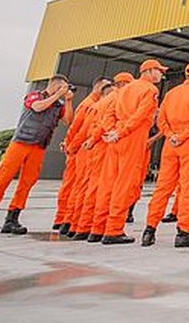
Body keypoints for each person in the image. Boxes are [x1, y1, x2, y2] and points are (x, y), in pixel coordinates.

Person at [0, 75, 72, 237]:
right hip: (20, 143)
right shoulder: (35, 96)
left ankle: (12, 218)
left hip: (38, 146)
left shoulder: (58, 104)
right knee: (2, 179)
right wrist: (57, 96)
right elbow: (38, 107)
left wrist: (67, 101)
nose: (64, 90)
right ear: (55, 85)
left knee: (27, 182)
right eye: (63, 87)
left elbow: (68, 120)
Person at [142, 61, 189, 248]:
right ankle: (183, 231)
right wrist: (183, 136)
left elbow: (161, 119)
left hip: (170, 144)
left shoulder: (171, 94)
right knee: (187, 187)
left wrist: (171, 135)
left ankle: (149, 230)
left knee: (163, 187)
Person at [98, 59, 166, 245]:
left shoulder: (123, 89)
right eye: (159, 71)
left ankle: (98, 228)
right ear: (149, 70)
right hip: (132, 137)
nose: (161, 75)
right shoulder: (150, 90)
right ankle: (113, 230)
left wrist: (112, 131)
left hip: (116, 137)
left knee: (108, 182)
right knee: (124, 184)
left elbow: (109, 114)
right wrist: (121, 132)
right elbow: (141, 115)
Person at [71, 74, 129, 241]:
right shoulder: (115, 98)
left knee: (88, 186)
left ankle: (80, 225)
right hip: (104, 144)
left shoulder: (99, 103)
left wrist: (83, 142)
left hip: (96, 144)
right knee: (102, 188)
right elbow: (104, 123)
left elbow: (86, 126)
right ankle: (95, 228)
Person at [52, 77, 110, 234]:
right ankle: (66, 219)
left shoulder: (90, 104)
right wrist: (71, 146)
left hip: (81, 147)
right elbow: (78, 128)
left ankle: (67, 219)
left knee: (75, 186)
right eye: (106, 87)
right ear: (98, 87)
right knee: (76, 186)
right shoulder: (90, 105)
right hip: (82, 149)